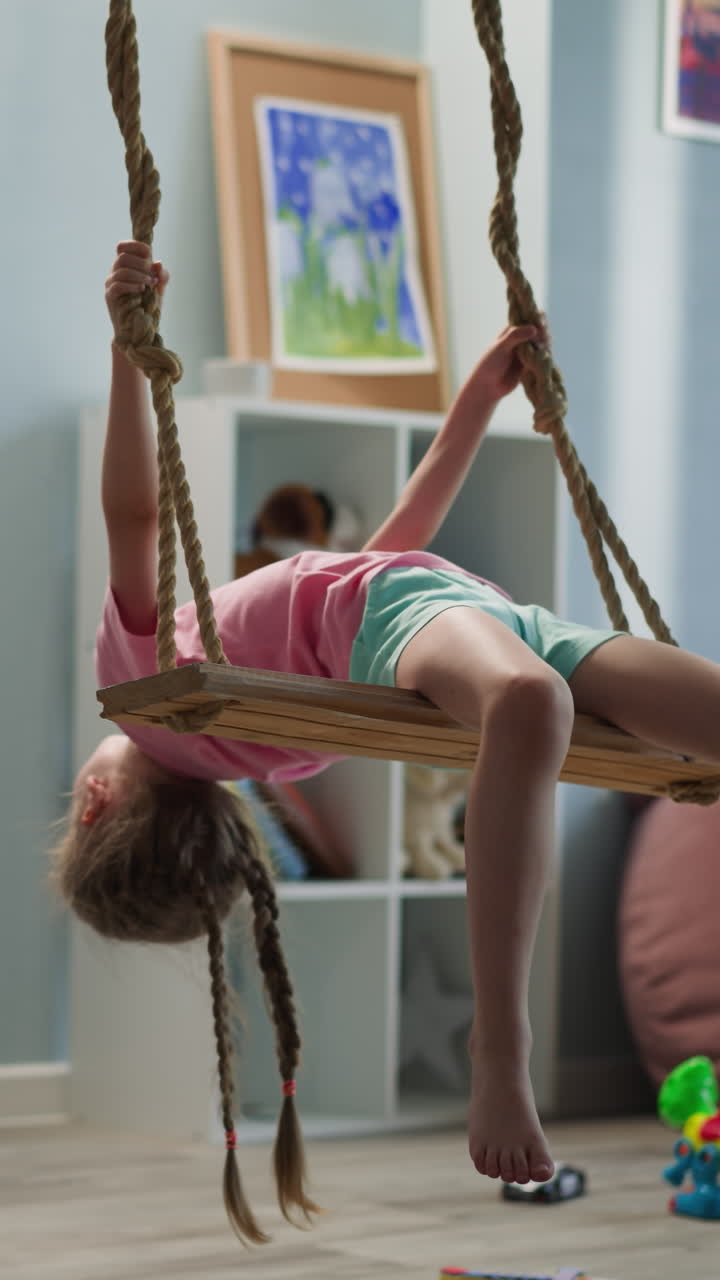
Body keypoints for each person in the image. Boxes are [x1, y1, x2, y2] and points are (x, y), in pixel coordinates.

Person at [54, 241, 720, 1240]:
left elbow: (385, 554)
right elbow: (140, 513)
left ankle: (500, 1041)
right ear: (95, 801)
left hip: (467, 613)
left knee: (553, 703)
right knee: (529, 705)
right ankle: (500, 1047)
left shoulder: (260, 740)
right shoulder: (155, 700)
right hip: (440, 621)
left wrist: (473, 407)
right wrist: (126, 351)